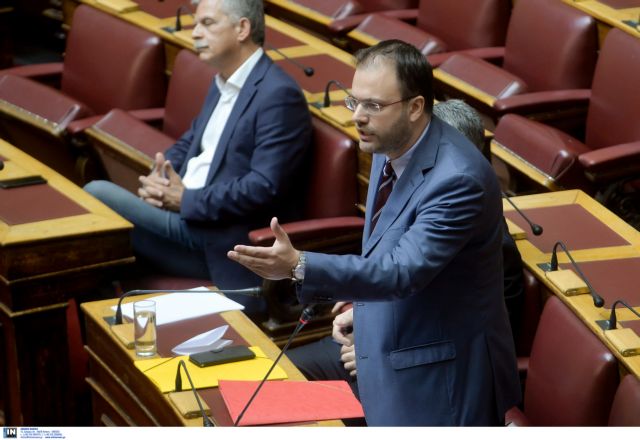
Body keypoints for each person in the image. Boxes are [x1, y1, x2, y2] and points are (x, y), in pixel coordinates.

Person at [228, 40, 521, 425]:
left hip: (438, 379)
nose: (358, 117)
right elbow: (387, 253)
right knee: (258, 394)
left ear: (415, 107)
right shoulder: (391, 144)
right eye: (354, 102)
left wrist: (300, 264)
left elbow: (401, 271)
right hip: (388, 341)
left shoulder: (457, 180)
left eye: (373, 106)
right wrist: (359, 312)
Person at [285, 99, 526, 409]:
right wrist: (359, 313)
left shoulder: (492, 248)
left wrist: (376, 353)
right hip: (374, 343)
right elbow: (393, 279)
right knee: (278, 376)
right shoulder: (412, 201)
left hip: (423, 379)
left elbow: (464, 341)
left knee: (297, 409)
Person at [84, 0, 311, 314]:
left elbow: (264, 186)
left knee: (96, 194)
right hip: (186, 215)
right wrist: (162, 173)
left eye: (207, 23)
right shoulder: (223, 80)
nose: (195, 33)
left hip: (215, 240)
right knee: (98, 232)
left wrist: (185, 200)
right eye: (196, 24)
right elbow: (193, 140)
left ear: (242, 28)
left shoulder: (278, 95)